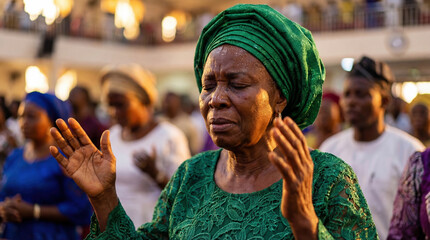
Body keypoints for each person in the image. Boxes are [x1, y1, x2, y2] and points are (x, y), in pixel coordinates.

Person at [50, 4, 377, 239]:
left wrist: (306, 224)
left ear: (280, 97)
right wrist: (104, 197)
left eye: (237, 84)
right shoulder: (191, 177)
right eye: (208, 86)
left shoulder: (327, 178)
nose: (215, 99)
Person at [320, 56, 425, 239]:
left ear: (384, 101)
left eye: (361, 94)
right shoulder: (330, 149)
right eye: (347, 94)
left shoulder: (410, 151)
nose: (351, 102)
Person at [99, 64, 190, 226]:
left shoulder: (169, 136)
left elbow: (185, 195)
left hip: (152, 229)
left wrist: (155, 174)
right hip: (117, 228)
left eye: (120, 105)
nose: (114, 112)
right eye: (111, 106)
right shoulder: (112, 136)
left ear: (143, 101)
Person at [0, 91, 92, 240]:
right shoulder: (15, 156)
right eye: (21, 116)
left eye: (31, 116)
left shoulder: (65, 159)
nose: (24, 122)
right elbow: (3, 194)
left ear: (51, 120)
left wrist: (34, 211)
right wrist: (4, 209)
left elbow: (80, 210)